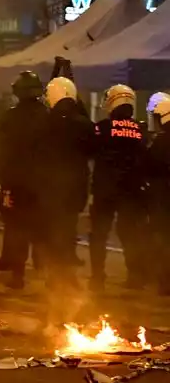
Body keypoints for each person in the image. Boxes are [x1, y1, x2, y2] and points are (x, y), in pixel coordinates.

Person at [89, 84, 150, 292]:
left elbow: (90, 149)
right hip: (131, 190)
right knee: (131, 234)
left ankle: (97, 277)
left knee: (99, 234)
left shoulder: (103, 127)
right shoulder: (141, 129)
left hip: (105, 189)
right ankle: (135, 277)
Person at [0, 71, 51, 289]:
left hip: (14, 183)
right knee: (41, 229)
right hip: (41, 184)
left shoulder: (9, 117)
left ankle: (18, 275)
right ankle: (46, 274)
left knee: (16, 227)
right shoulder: (47, 116)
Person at [37, 76, 95, 292]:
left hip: (50, 186)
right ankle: (68, 274)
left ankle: (55, 274)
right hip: (76, 186)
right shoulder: (83, 123)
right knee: (69, 229)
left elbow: (36, 153)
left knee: (52, 231)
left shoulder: (44, 122)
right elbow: (92, 150)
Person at [146, 99, 170, 295]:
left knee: (162, 239)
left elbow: (149, 166)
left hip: (162, 197)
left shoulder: (160, 142)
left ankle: (164, 283)